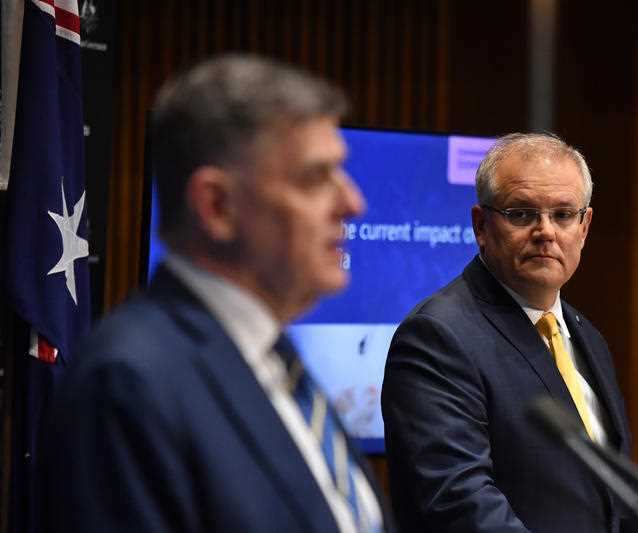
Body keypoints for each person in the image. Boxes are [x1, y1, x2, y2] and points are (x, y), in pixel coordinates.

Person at [40, 55, 387, 533]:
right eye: (315, 178)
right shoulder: (129, 381)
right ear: (217, 206)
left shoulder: (271, 355)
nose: (352, 202)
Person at [381, 133, 636, 532]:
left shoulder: (587, 337)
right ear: (481, 225)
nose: (545, 231)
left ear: (584, 227)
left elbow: (612, 500)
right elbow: (458, 503)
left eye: (563, 215)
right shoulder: (438, 336)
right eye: (521, 214)